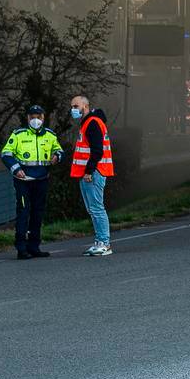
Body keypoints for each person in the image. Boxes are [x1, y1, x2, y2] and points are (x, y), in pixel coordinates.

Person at [1, 104, 62, 260]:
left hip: (41, 180)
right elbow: (6, 154)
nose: (35, 120)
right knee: (23, 211)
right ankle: (21, 248)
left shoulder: (50, 134)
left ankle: (34, 246)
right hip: (23, 180)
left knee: (38, 213)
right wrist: (16, 169)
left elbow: (59, 150)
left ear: (43, 118)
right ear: (28, 118)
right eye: (32, 117)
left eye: (38, 117)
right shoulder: (18, 134)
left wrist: (57, 156)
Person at [69, 94, 115, 257]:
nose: (73, 109)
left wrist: (89, 171)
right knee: (93, 208)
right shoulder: (89, 122)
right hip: (90, 172)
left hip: (94, 172)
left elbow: (97, 150)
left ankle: (104, 243)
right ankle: (100, 241)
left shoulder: (92, 123)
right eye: (72, 107)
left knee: (96, 208)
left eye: (76, 106)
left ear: (85, 106)